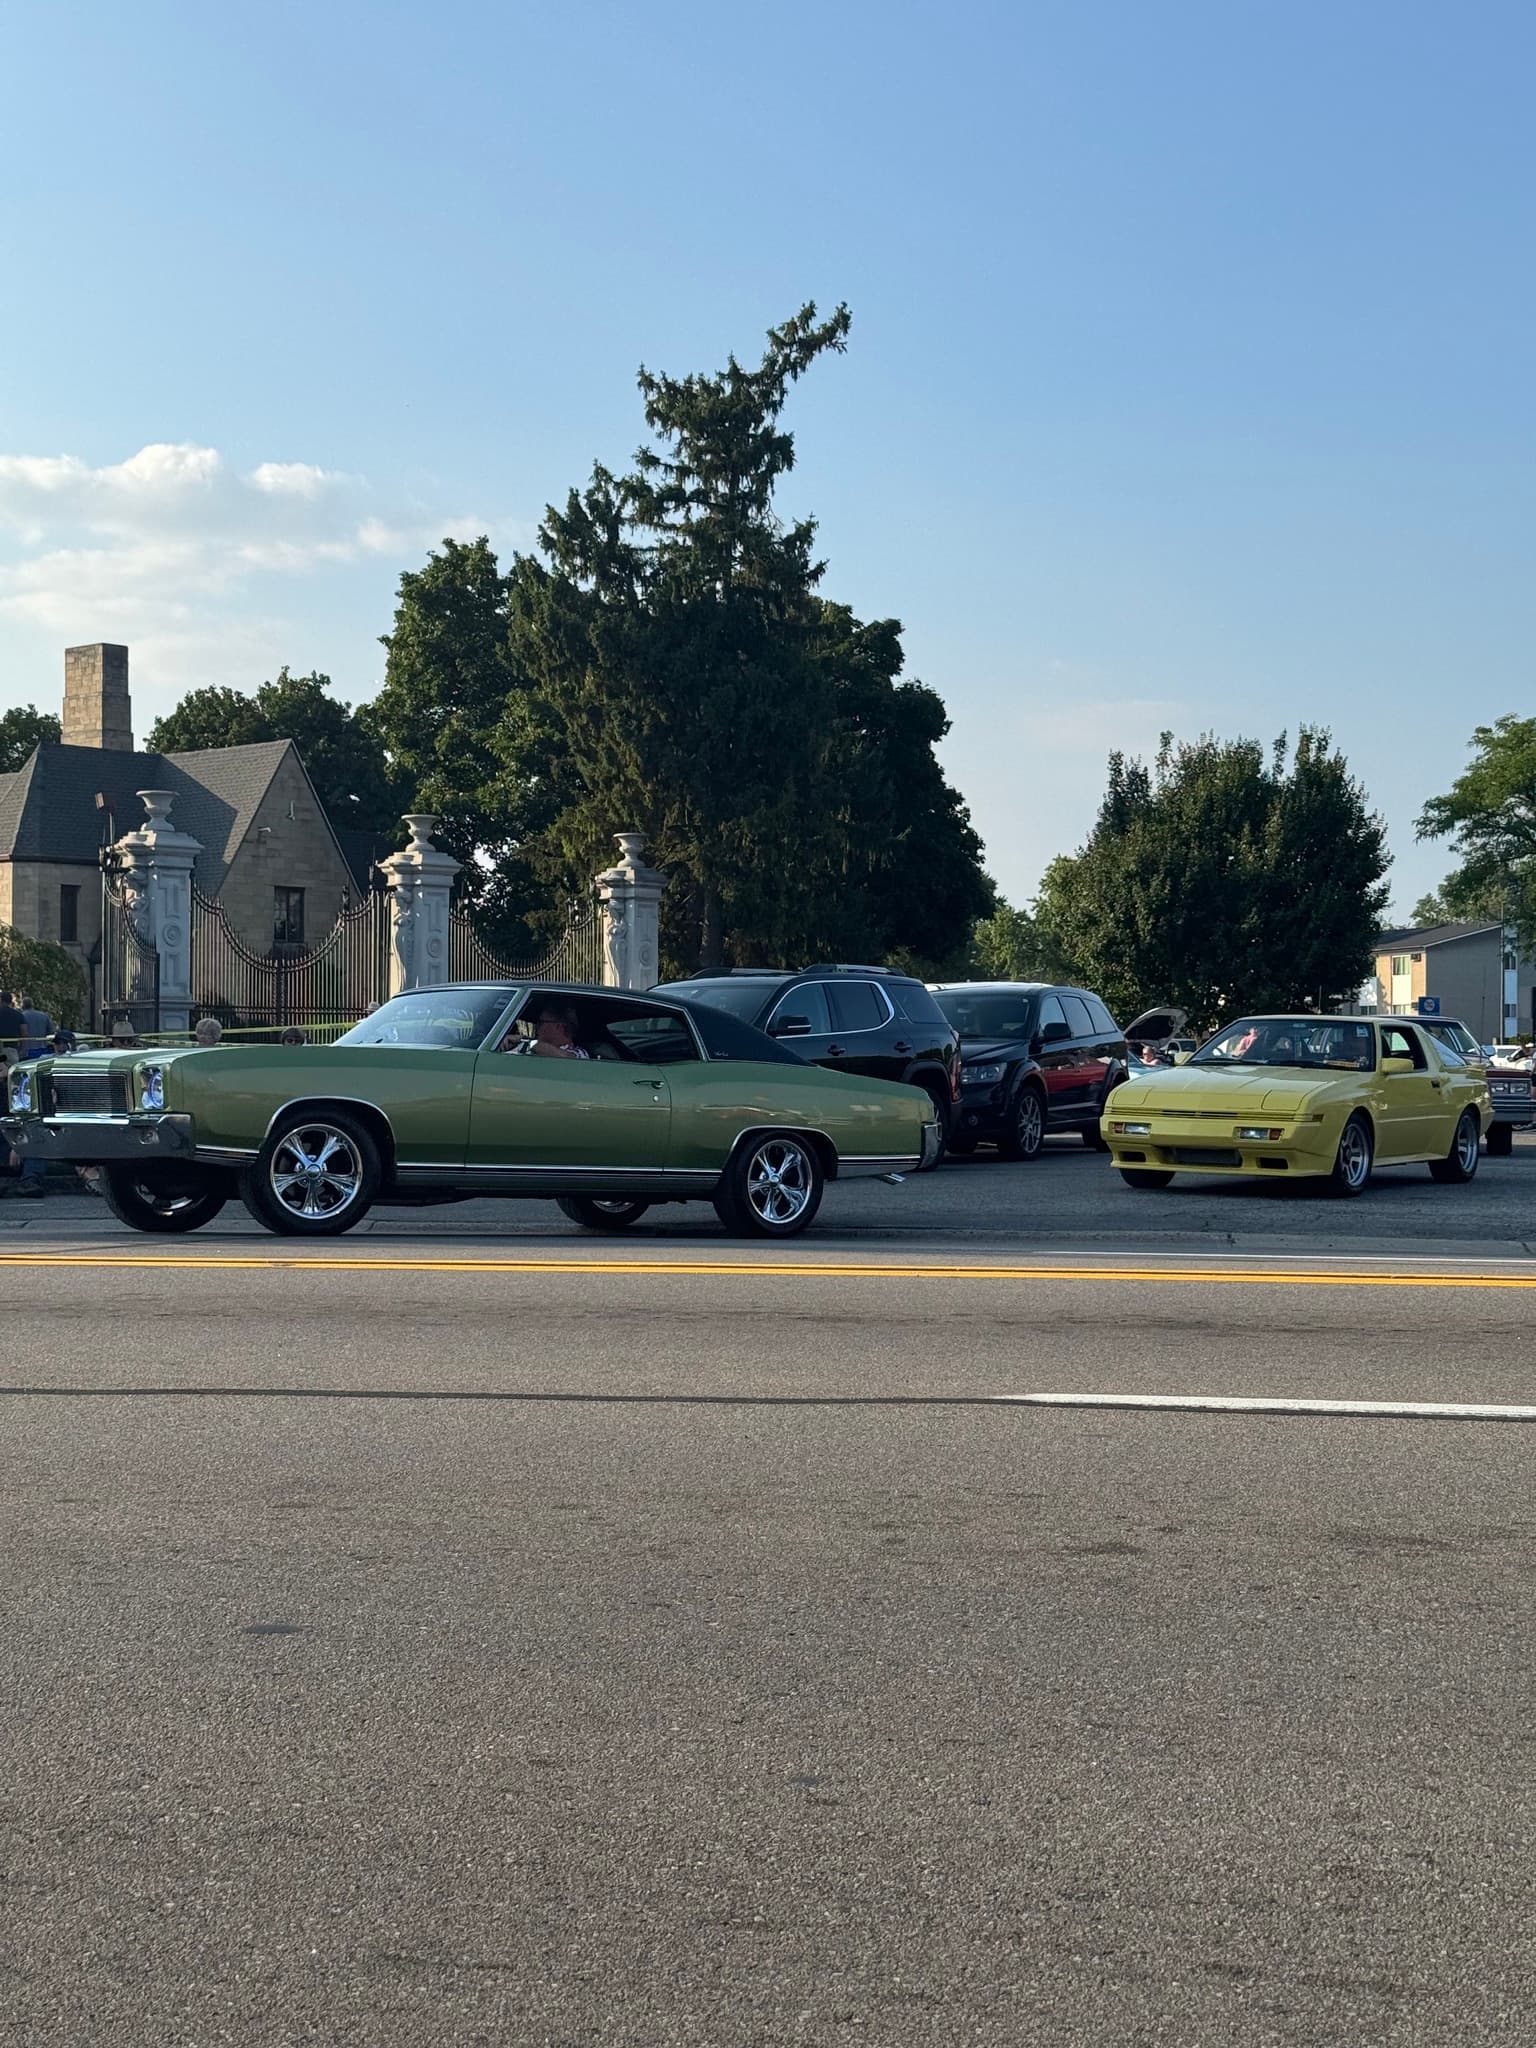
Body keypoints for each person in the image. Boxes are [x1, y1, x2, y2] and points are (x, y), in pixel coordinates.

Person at [505, 1002, 589, 1059]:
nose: (537, 1027)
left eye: (541, 1023)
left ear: (559, 1026)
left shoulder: (579, 1053)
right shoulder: (533, 1048)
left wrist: (525, 1042)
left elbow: (567, 1058)